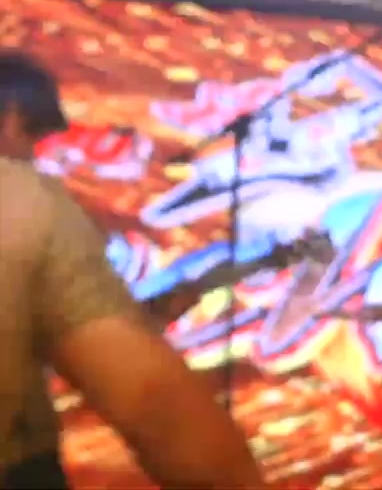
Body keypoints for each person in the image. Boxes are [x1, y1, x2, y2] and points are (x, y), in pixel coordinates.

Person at [0, 52, 263, 488]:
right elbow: (151, 403)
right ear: (12, 119)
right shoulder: (21, 200)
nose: (33, 159)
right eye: (35, 142)